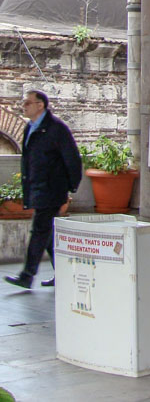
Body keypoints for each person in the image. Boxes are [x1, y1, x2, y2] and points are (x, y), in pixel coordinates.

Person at [5, 90, 82, 290]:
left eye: (28, 103)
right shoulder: (30, 128)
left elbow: (72, 159)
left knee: (39, 230)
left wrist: (71, 187)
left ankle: (27, 275)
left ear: (40, 105)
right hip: (38, 188)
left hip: (52, 189)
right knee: (47, 233)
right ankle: (64, 273)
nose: (24, 106)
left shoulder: (56, 129)